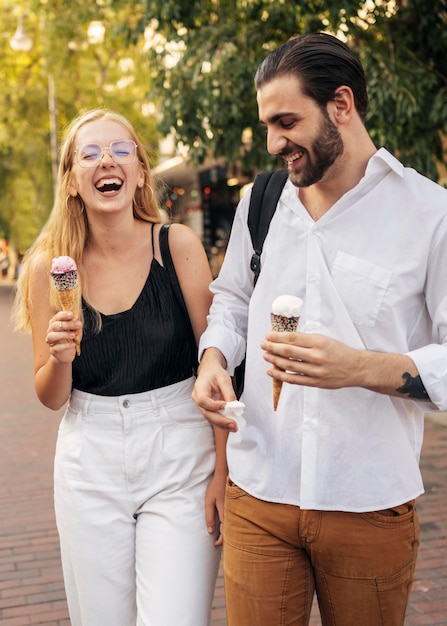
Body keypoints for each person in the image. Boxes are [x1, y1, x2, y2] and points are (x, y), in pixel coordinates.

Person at [192, 32, 447, 626]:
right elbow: (230, 302)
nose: (276, 142)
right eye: (267, 126)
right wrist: (212, 362)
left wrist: (358, 367)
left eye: (287, 120)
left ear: (341, 104)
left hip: (368, 500)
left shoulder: (429, 214)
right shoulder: (263, 200)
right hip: (258, 491)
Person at [12, 109, 226, 626]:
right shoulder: (49, 268)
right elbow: (50, 394)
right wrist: (60, 357)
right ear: (71, 181)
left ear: (141, 170)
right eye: (89, 153)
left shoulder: (175, 247)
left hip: (180, 456)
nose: (106, 161)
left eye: (120, 150)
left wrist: (224, 468)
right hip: (91, 459)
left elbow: (216, 362)